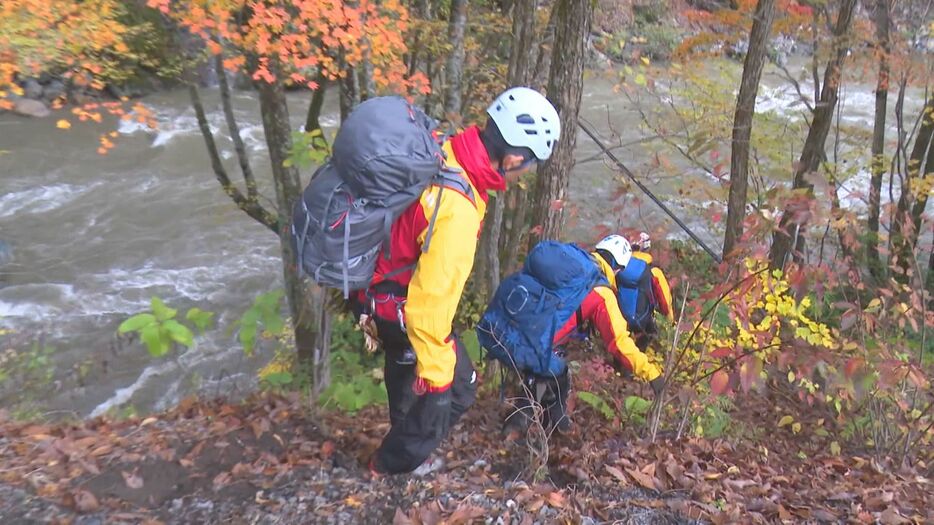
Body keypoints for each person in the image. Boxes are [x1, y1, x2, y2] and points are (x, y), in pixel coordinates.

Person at [354, 87, 561, 475]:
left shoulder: (446, 150)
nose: (524, 174)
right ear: (514, 158)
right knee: (458, 386)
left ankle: (400, 444)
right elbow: (427, 310)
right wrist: (437, 376)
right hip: (399, 305)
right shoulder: (458, 209)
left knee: (404, 365)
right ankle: (390, 466)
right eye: (528, 166)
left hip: (374, 289)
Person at [499, 235, 664, 435]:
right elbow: (620, 342)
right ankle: (530, 429)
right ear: (617, 268)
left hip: (506, 326)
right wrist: (651, 373)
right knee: (556, 375)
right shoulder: (601, 291)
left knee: (553, 373)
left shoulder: (567, 264)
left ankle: (549, 426)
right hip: (537, 344)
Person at [614, 232, 674, 353]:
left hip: (617, 318)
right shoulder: (653, 271)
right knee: (650, 333)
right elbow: (665, 302)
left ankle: (618, 363)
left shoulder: (617, 268)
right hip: (641, 321)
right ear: (647, 249)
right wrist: (670, 324)